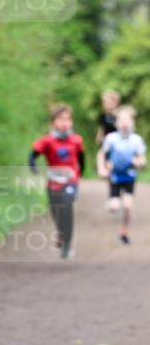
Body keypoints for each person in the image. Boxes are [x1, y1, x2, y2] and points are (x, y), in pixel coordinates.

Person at [29, 104, 85, 260]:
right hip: (54, 181)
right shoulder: (47, 140)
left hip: (71, 180)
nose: (64, 123)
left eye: (67, 119)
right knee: (56, 211)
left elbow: (81, 157)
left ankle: (67, 245)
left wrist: (81, 172)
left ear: (71, 122)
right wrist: (33, 166)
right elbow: (33, 155)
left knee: (67, 207)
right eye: (60, 119)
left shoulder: (76, 140)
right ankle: (61, 233)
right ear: (53, 123)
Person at [102, 105, 146, 245]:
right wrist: (103, 167)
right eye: (121, 120)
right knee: (114, 207)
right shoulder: (111, 138)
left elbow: (142, 158)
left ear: (133, 122)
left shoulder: (136, 140)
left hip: (129, 176)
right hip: (115, 176)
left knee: (127, 206)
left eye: (128, 120)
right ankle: (113, 201)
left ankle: (125, 231)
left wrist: (140, 163)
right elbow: (103, 155)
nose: (125, 123)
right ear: (116, 123)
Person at [95, 89, 121, 179]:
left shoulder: (119, 115)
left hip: (117, 140)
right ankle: (101, 170)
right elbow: (102, 127)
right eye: (105, 103)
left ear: (115, 103)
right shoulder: (103, 116)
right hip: (107, 141)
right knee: (101, 153)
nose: (106, 105)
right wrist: (99, 136)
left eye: (109, 102)